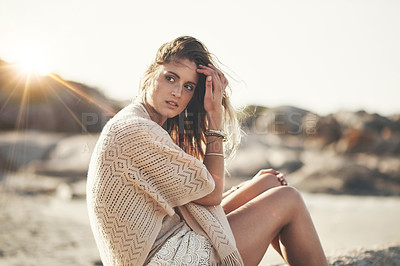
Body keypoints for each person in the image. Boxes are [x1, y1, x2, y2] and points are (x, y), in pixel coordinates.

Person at [86, 36, 328, 266]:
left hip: (173, 247)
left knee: (270, 185)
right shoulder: (136, 129)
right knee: (288, 200)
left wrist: (255, 186)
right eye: (170, 78)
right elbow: (211, 196)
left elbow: (198, 202)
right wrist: (214, 119)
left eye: (188, 86)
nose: (178, 92)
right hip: (167, 259)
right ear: (150, 75)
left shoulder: (139, 122)